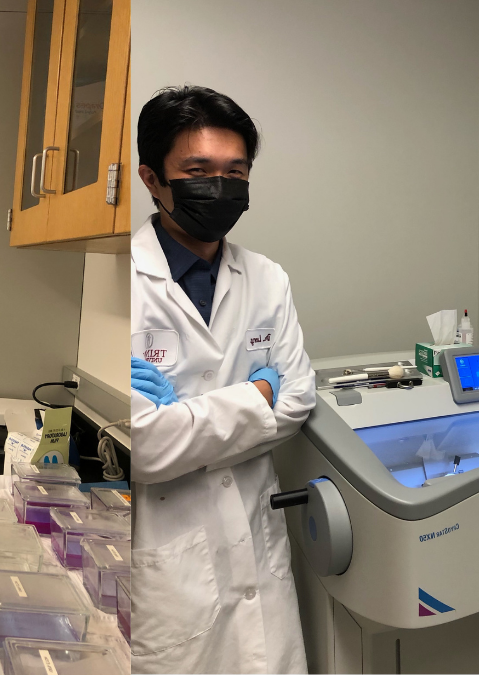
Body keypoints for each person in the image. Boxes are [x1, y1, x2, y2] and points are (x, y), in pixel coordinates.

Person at [129, 85, 316, 674]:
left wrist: (184, 419)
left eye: (235, 172)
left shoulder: (267, 278)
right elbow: (144, 450)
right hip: (169, 561)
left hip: (257, 547)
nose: (220, 187)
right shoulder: (120, 282)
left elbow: (299, 400)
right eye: (197, 170)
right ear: (152, 179)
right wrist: (256, 394)